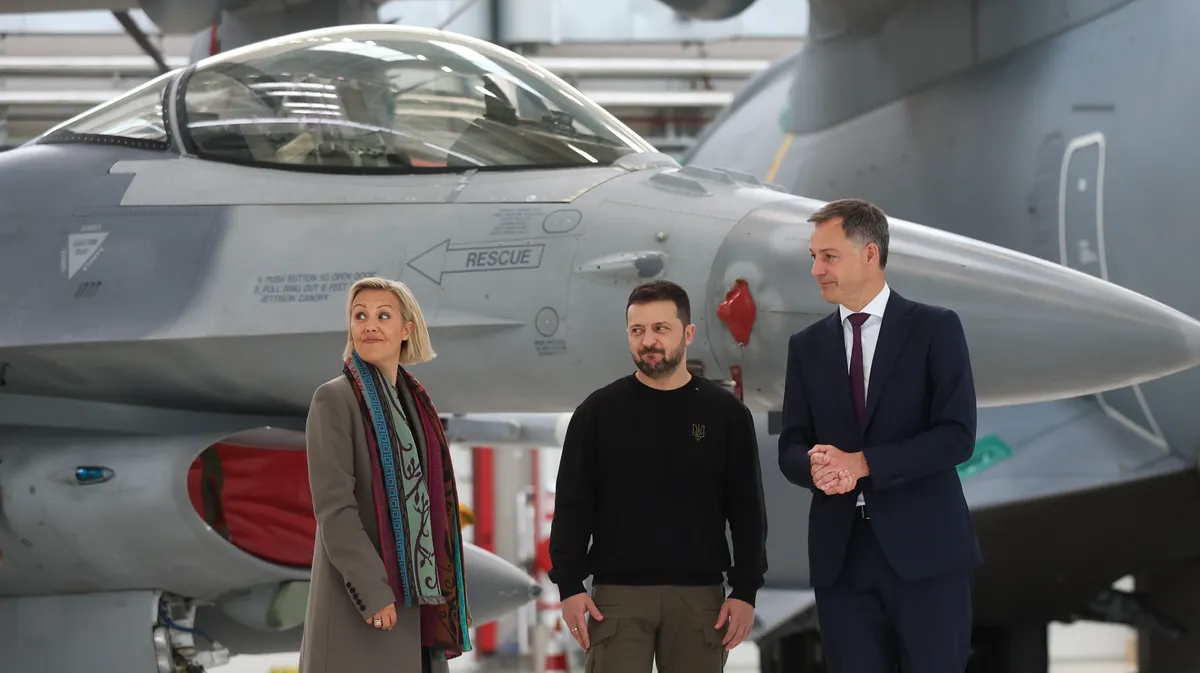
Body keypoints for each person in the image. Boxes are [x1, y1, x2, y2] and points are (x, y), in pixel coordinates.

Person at [777, 199, 983, 673]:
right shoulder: (806, 346)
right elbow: (791, 444)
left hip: (927, 553)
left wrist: (863, 463)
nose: (816, 270)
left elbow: (957, 436)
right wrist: (815, 466)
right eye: (813, 257)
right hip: (841, 557)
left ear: (870, 253)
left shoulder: (935, 328)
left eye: (829, 256)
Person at [547, 279, 768, 673]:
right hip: (615, 599)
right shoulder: (596, 413)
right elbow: (572, 506)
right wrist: (569, 586)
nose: (648, 341)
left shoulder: (726, 415)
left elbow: (747, 509)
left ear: (688, 333)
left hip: (700, 599)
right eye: (637, 330)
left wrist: (746, 589)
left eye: (661, 328)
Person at [299, 277, 472, 673]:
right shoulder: (334, 399)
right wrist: (373, 591)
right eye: (360, 316)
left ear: (406, 329)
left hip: (419, 612)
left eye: (383, 316)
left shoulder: (417, 405)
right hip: (365, 609)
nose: (369, 325)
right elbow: (335, 509)